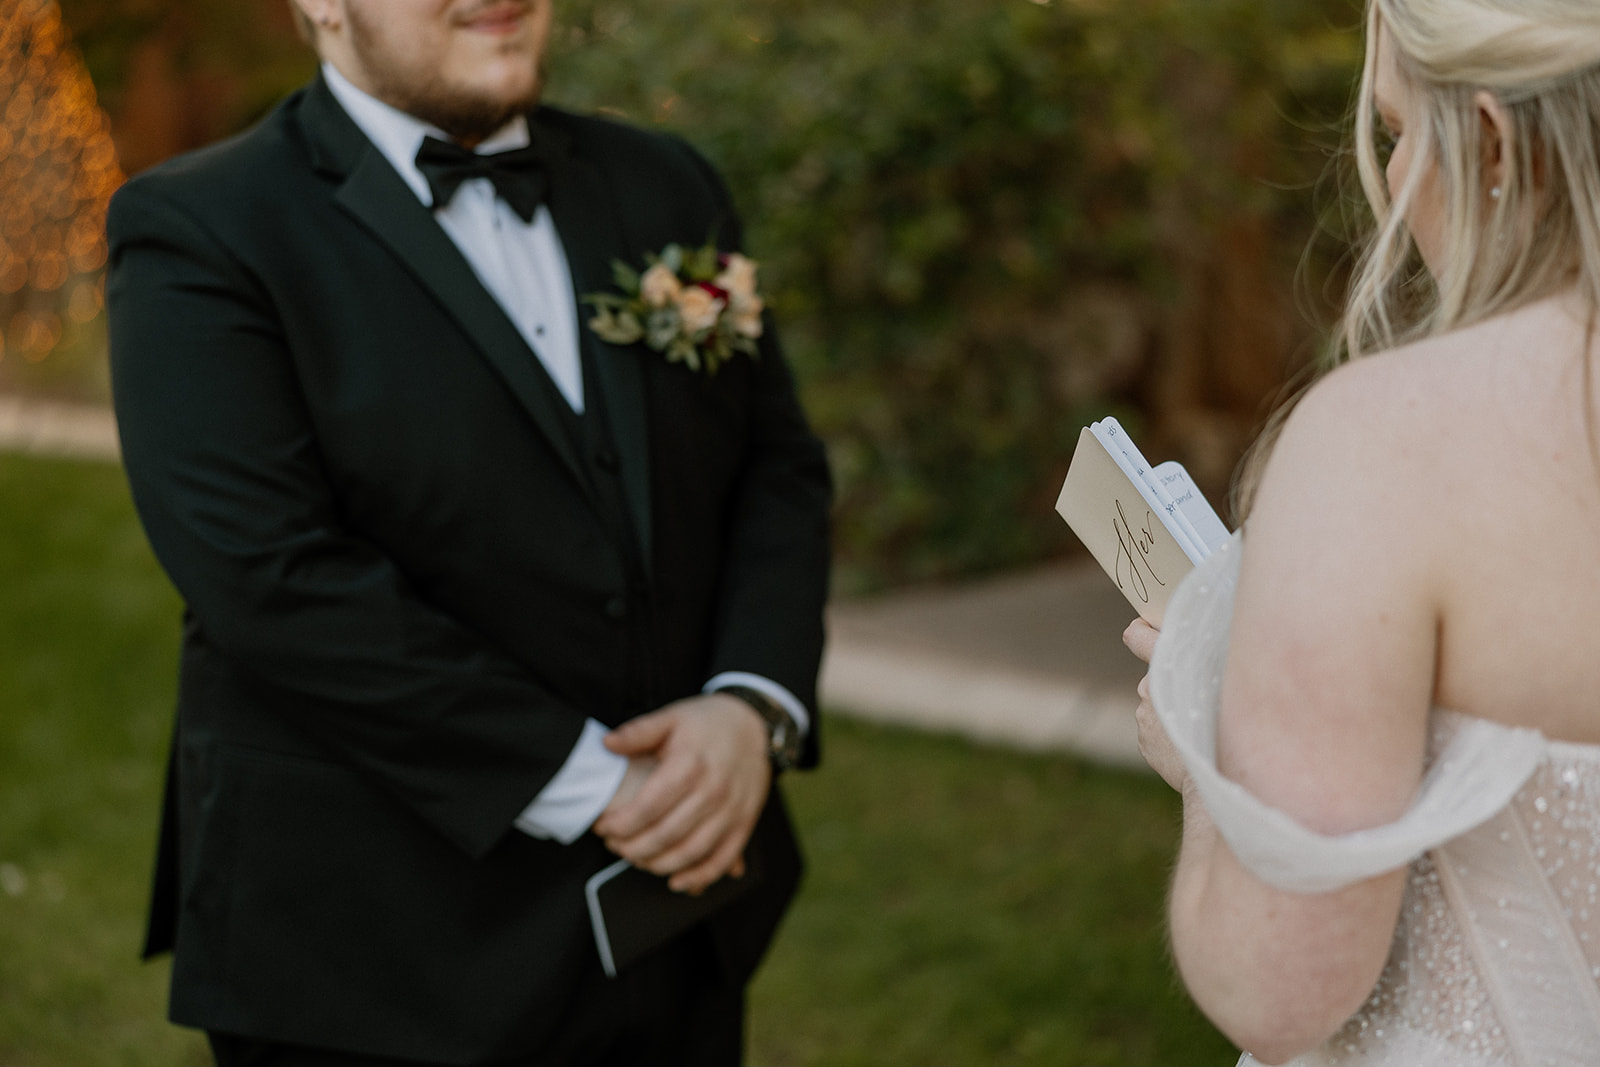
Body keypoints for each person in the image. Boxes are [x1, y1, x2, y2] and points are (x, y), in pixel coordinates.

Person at [105, 0, 832, 1063]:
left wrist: (748, 705)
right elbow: (273, 579)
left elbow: (776, 468)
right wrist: (605, 784)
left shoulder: (667, 183)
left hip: (678, 920)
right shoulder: (203, 228)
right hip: (372, 955)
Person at [1120, 0, 1600, 1063]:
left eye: (1393, 129)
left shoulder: (1396, 444)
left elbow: (1277, 983)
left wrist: (1205, 760)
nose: (1392, 179)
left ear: (1485, 139)